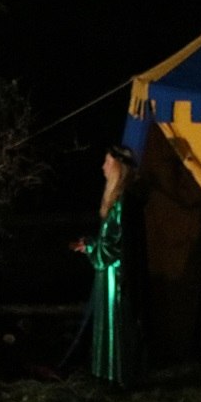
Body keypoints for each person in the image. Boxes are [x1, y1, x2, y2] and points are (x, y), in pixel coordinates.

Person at [70, 144, 142, 388]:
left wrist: (92, 247)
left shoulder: (124, 202)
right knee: (107, 320)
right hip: (109, 272)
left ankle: (118, 376)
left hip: (117, 273)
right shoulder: (118, 200)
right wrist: (90, 243)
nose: (103, 167)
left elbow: (114, 245)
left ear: (118, 166)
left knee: (116, 322)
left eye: (107, 162)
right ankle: (107, 373)